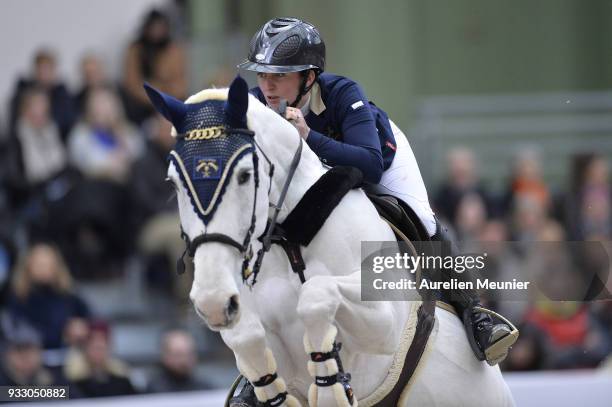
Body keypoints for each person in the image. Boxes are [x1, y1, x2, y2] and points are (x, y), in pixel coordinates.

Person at [238, 18, 516, 367]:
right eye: (261, 75)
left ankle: (475, 314)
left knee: (421, 220)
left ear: (309, 77)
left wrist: (308, 136)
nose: (267, 85)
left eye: (278, 75)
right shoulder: (255, 105)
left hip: (379, 158)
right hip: (322, 176)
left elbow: (368, 164)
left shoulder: (342, 93)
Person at [147, 329, 214, 393]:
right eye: (178, 355)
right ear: (165, 356)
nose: (184, 360)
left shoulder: (204, 388)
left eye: (189, 354)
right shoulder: (154, 389)